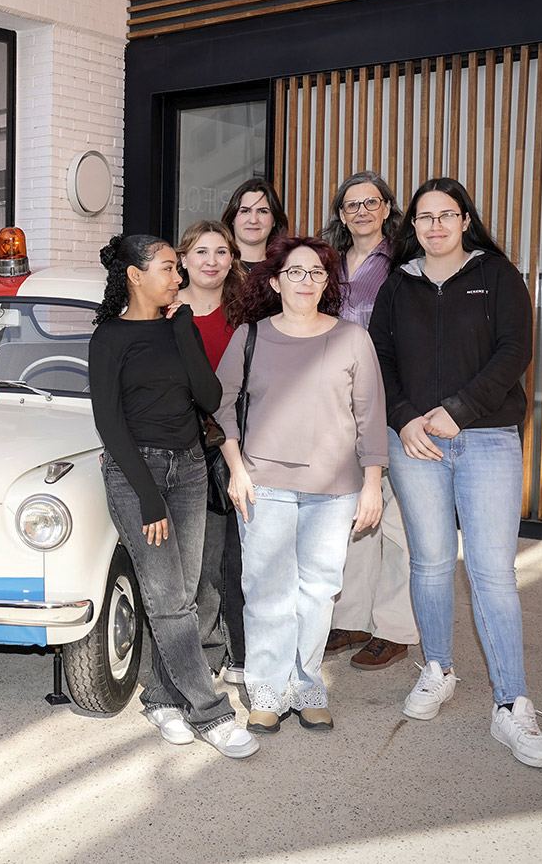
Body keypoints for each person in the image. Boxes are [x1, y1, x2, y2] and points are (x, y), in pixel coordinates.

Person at [370, 177, 542, 768]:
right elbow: (379, 359)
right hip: (415, 442)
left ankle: (512, 704)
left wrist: (459, 410)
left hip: (487, 438)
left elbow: (514, 351)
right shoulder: (398, 285)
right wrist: (404, 419)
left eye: (446, 215)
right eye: (424, 217)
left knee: (491, 572)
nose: (435, 226)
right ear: (413, 226)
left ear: (465, 220)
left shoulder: (496, 275)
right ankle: (438, 669)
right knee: (428, 562)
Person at [89, 233, 258, 759]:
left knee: (182, 596)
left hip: (189, 468)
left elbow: (209, 396)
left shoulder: (179, 326)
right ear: (135, 276)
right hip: (136, 474)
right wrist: (147, 497)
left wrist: (184, 330)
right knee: (168, 599)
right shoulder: (109, 338)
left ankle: (162, 697)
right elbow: (108, 423)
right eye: (168, 268)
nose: (178, 277)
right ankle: (212, 713)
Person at [215, 235, 386, 734]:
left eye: (316, 272)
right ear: (275, 282)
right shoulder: (250, 336)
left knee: (318, 591)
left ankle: (308, 683)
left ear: (327, 282)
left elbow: (370, 415)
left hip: (334, 489)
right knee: (266, 591)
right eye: (295, 272)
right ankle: (267, 690)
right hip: (263, 483)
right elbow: (220, 406)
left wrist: (372, 483)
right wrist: (236, 468)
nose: (306, 281)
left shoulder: (353, 338)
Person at [322, 172, 419, 671]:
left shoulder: (402, 260)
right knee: (355, 516)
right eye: (351, 205)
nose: (361, 211)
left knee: (399, 520)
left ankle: (395, 627)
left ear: (386, 208)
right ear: (341, 215)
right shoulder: (327, 263)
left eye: (370, 203)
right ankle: (353, 618)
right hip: (340, 403)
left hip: (392, 399)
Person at [174, 220, 246, 685]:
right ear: (183, 259)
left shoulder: (245, 315)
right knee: (196, 558)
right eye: (201, 251)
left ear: (232, 260)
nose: (211, 261)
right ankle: (201, 653)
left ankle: (236, 649)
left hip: (237, 442)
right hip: (185, 444)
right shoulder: (165, 311)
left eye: (221, 252)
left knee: (234, 556)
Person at [219, 177, 288, 265]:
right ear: (232, 218)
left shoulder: (285, 267)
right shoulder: (216, 266)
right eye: (245, 211)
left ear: (274, 220)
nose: (253, 220)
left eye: (262, 211)